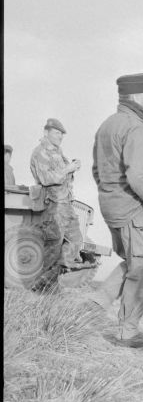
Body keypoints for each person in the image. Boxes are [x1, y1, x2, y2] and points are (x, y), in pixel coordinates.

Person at [91, 73, 143, 349]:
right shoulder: (136, 128)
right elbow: (140, 176)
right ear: (136, 98)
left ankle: (99, 300)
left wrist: (111, 193)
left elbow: (97, 170)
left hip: (111, 206)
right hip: (133, 209)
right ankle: (127, 331)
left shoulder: (107, 125)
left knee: (133, 260)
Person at [29, 119, 83, 291]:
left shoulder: (57, 152)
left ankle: (44, 282)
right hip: (54, 204)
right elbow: (46, 179)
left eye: (62, 134)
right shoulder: (40, 152)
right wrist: (67, 169)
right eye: (57, 133)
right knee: (53, 247)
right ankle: (46, 288)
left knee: (76, 241)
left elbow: (61, 176)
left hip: (66, 203)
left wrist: (72, 167)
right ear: (46, 133)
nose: (61, 137)